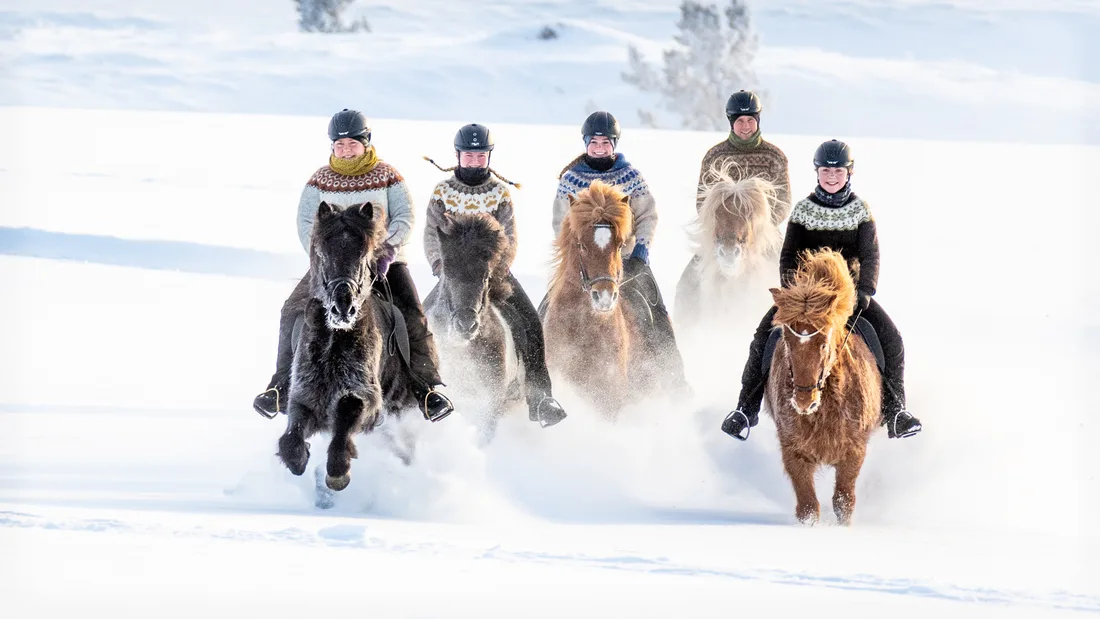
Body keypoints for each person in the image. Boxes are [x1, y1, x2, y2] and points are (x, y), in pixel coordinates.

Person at [253, 108, 454, 423]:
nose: (346, 149)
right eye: (340, 144)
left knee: (412, 315)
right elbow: (306, 222)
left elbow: (405, 216)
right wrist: (325, 256)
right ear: (332, 146)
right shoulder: (319, 180)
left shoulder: (387, 175)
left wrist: (382, 249)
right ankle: (279, 386)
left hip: (383, 261)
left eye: (352, 143)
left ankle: (426, 389)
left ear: (366, 143)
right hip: (331, 267)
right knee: (291, 310)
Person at [721, 139, 922, 441]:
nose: (831, 176)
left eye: (838, 171)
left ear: (848, 173)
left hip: (848, 296)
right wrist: (792, 292)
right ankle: (744, 410)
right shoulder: (803, 210)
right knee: (762, 339)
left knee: (891, 340)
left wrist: (865, 288)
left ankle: (896, 411)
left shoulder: (860, 210)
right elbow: (789, 254)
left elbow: (871, 255)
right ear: (817, 172)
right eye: (826, 170)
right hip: (804, 297)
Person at [422, 123, 568, 426]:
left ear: (488, 157)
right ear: (458, 156)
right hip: (453, 276)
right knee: (419, 321)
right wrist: (440, 266)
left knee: (529, 321)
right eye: (468, 155)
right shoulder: (441, 192)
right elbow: (431, 235)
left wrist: (495, 270)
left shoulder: (500, 193)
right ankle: (422, 393)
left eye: (480, 156)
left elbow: (510, 238)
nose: (474, 161)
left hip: (493, 274)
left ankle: (541, 397)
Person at [552, 111, 688, 392]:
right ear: (585, 143)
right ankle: (536, 380)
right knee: (546, 307)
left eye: (605, 142)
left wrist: (641, 248)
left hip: (624, 259)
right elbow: (560, 222)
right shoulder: (571, 180)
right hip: (582, 260)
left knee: (655, 311)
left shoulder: (631, 176)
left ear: (614, 144)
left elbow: (647, 216)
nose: (600, 148)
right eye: (594, 142)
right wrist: (574, 254)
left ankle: (674, 380)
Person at [696, 90, 792, 225]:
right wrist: (727, 225)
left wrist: (759, 224)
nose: (746, 126)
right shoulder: (714, 156)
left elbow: (784, 201)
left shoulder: (775, 156)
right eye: (740, 120)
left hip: (763, 233)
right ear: (731, 122)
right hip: (723, 233)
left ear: (758, 120)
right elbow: (702, 202)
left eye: (750, 120)